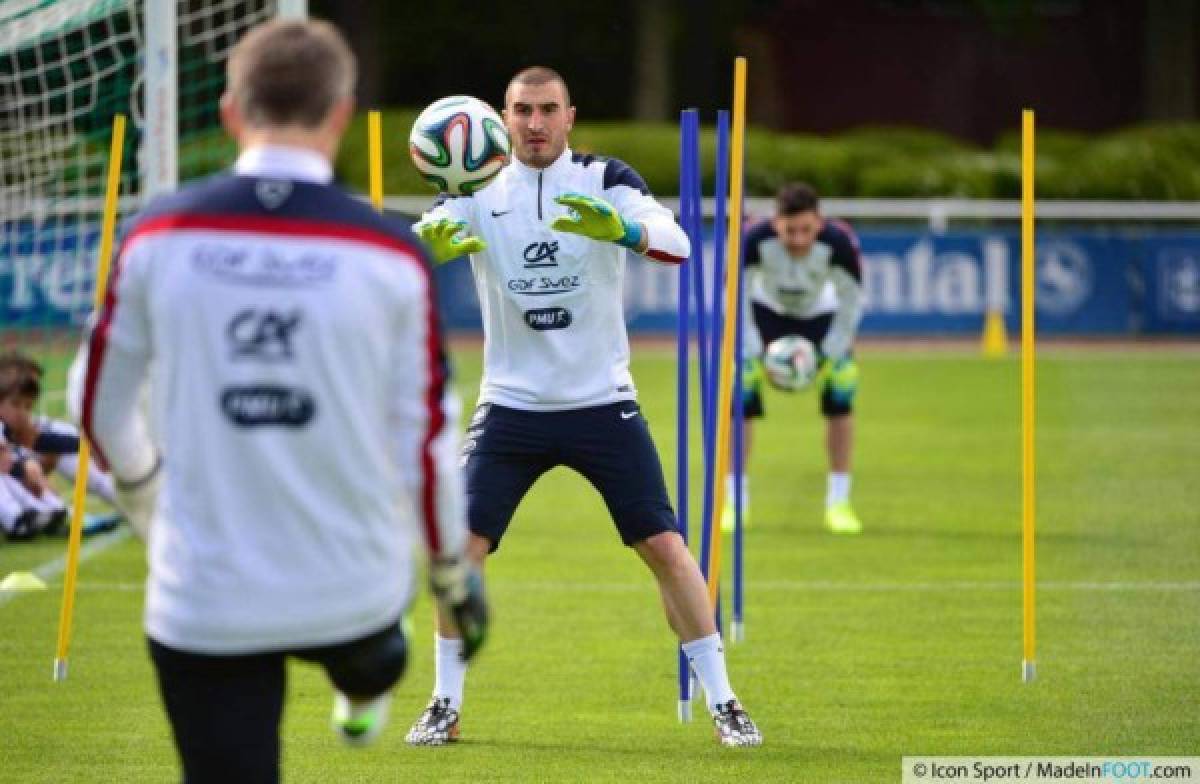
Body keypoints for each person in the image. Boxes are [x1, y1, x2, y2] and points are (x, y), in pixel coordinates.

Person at [77, 19, 487, 782]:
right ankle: (366, 681)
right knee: (375, 654)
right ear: (341, 114)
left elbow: (96, 400)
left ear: (231, 112)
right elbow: (425, 439)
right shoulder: (393, 255)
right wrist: (451, 575)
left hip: (204, 594)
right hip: (351, 589)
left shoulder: (157, 234)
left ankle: (363, 678)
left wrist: (141, 492)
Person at [404, 66, 761, 748]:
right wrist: (425, 250)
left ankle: (725, 702)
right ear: (501, 119)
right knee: (460, 549)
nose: (534, 123)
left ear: (571, 116)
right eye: (521, 111)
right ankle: (444, 705)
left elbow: (679, 243)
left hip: (602, 401)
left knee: (665, 546)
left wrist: (624, 233)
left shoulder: (606, 179)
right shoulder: (478, 188)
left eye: (547, 110)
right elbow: (414, 242)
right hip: (510, 406)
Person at [731, 182, 864, 535]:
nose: (800, 239)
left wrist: (833, 350)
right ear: (777, 223)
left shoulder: (838, 242)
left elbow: (852, 298)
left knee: (843, 387)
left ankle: (839, 502)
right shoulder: (754, 238)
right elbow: (736, 292)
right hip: (765, 313)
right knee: (738, 389)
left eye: (807, 230)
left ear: (819, 223)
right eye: (791, 231)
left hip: (820, 316)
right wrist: (750, 346)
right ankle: (735, 500)